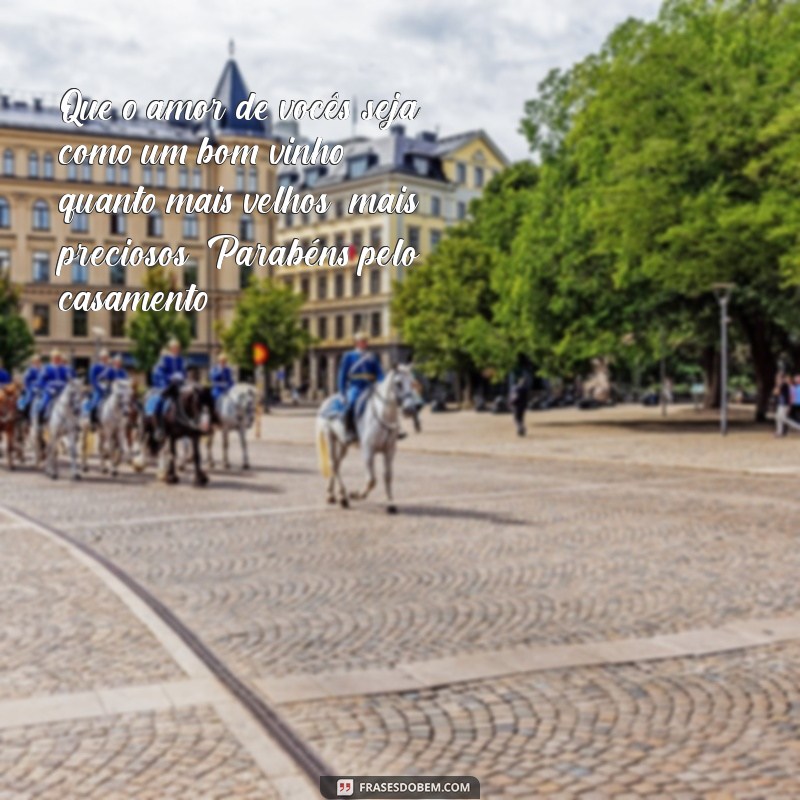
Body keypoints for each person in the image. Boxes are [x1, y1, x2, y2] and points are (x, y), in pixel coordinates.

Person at [338, 331, 384, 441]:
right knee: (352, 403)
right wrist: (342, 392)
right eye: (361, 341)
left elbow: (379, 372)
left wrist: (382, 383)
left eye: (365, 342)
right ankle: (349, 431)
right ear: (356, 343)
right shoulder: (349, 356)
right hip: (356, 387)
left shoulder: (372, 356)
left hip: (371, 387)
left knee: (386, 403)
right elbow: (342, 375)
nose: (364, 343)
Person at [35, 350, 75, 422]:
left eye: (58, 358)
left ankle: (75, 422)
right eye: (55, 358)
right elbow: (41, 381)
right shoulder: (46, 368)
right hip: (50, 391)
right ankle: (40, 425)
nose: (57, 360)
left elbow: (70, 380)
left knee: (74, 404)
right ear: (52, 359)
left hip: (62, 392)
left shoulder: (65, 369)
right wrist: (48, 389)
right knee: (43, 404)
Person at [87, 349, 111, 424]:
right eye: (103, 357)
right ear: (100, 358)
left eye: (106, 357)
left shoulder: (110, 368)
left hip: (109, 389)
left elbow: (113, 379)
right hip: (98, 390)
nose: (105, 359)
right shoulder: (95, 367)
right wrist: (100, 388)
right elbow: (93, 380)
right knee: (94, 404)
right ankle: (93, 422)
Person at [775, 372, 800, 437]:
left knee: (783, 418)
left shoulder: (784, 384)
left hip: (784, 404)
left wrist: (778, 385)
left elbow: (776, 392)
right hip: (781, 403)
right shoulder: (782, 384)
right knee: (778, 418)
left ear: (781, 378)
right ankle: (779, 432)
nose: (776, 379)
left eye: (778, 377)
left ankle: (798, 427)